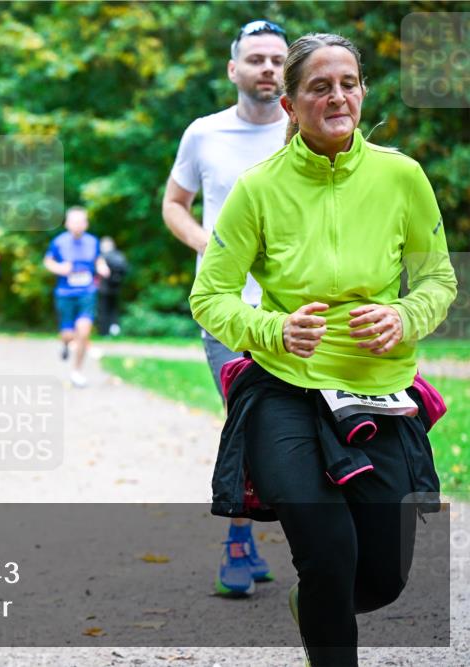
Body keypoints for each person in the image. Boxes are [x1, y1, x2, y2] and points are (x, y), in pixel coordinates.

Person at [189, 33, 457, 666]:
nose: (338, 96)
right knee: (327, 552)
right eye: (319, 86)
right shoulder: (259, 188)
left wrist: (403, 315)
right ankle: (327, 618)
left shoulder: (402, 177)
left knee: (381, 578)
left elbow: (440, 280)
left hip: (378, 390)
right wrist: (273, 330)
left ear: (361, 91)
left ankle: (318, 605)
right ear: (290, 104)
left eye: (349, 83)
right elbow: (211, 297)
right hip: (285, 387)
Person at [162, 18, 289, 595]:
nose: (267, 68)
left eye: (277, 59)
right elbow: (174, 203)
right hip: (227, 307)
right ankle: (238, 541)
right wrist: (207, 244)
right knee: (248, 418)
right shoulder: (203, 134)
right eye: (256, 58)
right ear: (233, 69)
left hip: (301, 309)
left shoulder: (305, 129)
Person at [43, 206, 110, 388]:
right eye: (74, 221)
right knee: (68, 334)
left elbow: (98, 259)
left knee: (84, 330)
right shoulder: (58, 242)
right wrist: (59, 268)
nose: (78, 225)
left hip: (87, 291)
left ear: (86, 224)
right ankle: (65, 344)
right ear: (67, 223)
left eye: (81, 221)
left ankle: (77, 371)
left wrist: (102, 266)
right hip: (65, 293)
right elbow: (47, 261)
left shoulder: (92, 241)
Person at [96, 236, 129, 337]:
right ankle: (114, 330)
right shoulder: (120, 256)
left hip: (104, 288)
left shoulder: (102, 257)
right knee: (114, 310)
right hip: (116, 288)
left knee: (104, 310)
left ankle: (104, 332)